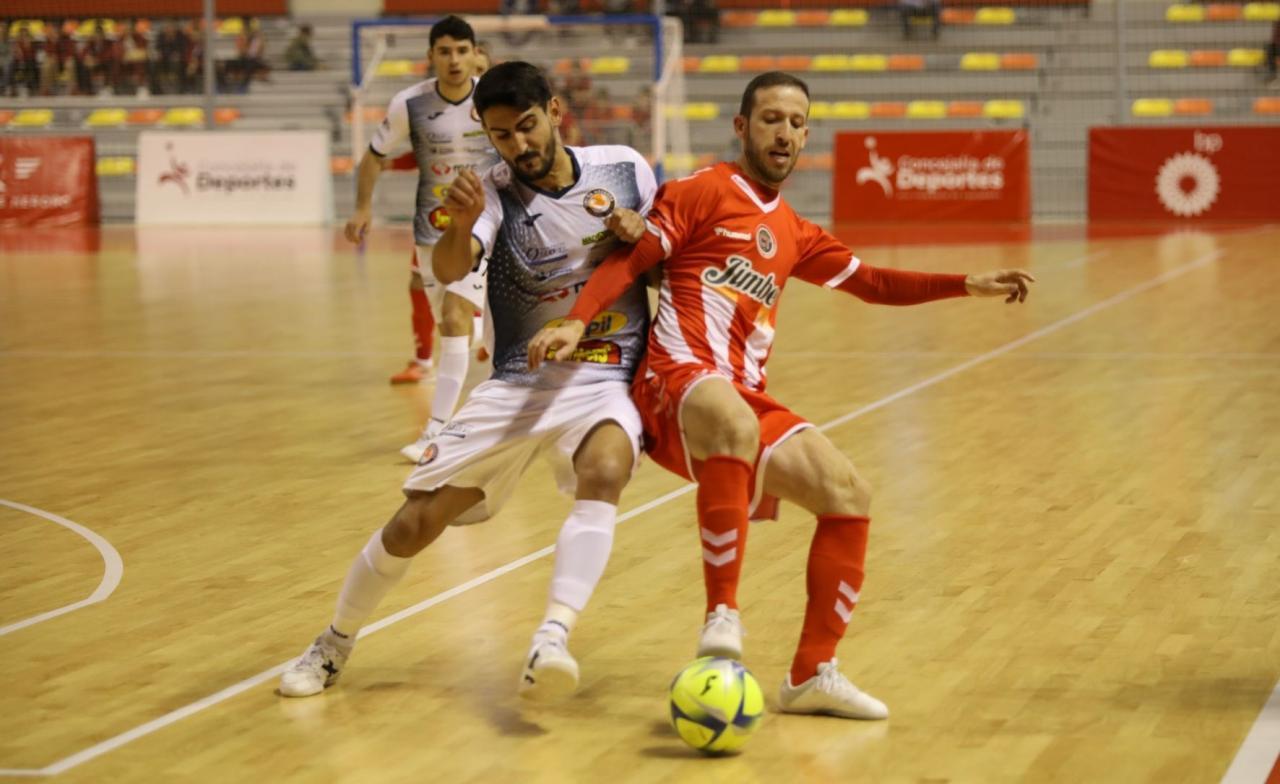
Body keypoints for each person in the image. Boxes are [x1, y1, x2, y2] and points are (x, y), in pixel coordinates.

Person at [528, 71, 1035, 720]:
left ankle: (810, 674)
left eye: (797, 123)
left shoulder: (792, 229)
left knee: (847, 493)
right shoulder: (700, 191)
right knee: (733, 422)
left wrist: (967, 283)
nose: (785, 133)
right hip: (673, 381)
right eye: (771, 119)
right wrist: (577, 319)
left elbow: (874, 282)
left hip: (738, 395)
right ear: (742, 127)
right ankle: (722, 618)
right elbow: (631, 260)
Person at [280, 60, 658, 704]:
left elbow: (666, 259)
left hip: (603, 373)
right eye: (503, 135)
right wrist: (457, 221)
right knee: (413, 524)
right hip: (519, 380)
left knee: (605, 469)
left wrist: (644, 235)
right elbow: (455, 266)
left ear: (556, 111)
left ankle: (552, 637)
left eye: (528, 127)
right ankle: (333, 643)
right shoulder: (488, 189)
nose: (520, 146)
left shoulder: (625, 169)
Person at [342, 17, 500, 462]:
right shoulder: (408, 104)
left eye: (462, 50)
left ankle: (438, 432)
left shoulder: (494, 97)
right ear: (431, 56)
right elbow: (373, 157)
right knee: (456, 326)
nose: (454, 60)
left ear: (475, 53)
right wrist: (362, 207)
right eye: (445, 51)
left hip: (488, 225)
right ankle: (492, 414)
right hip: (433, 230)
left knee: (453, 317)